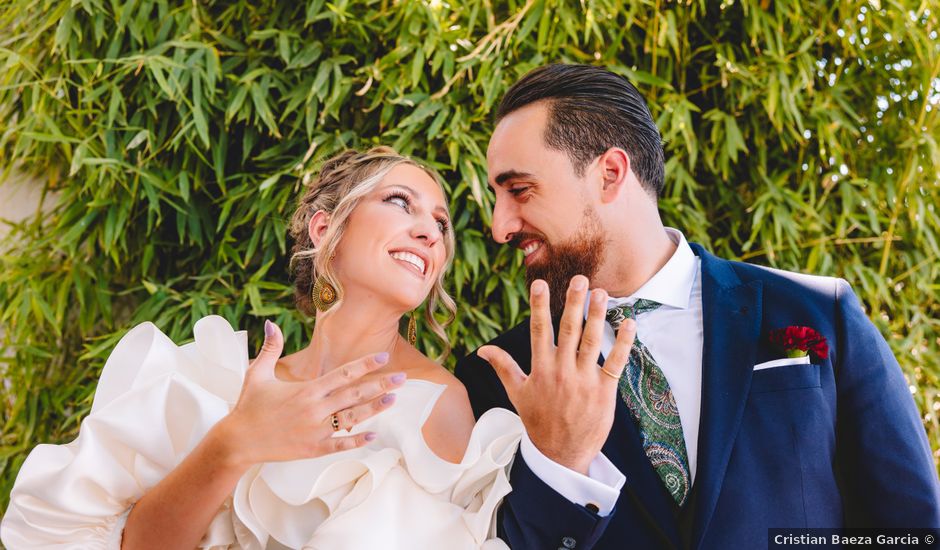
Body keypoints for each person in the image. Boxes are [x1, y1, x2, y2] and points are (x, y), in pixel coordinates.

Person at [3, 147, 599, 549]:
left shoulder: (438, 404)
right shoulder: (212, 378)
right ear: (324, 228)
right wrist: (232, 444)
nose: (429, 231)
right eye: (400, 203)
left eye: (440, 224)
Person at [455, 63, 940, 549]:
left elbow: (912, 529)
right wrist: (557, 460)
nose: (500, 227)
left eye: (519, 191)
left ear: (609, 173)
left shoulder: (816, 310)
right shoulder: (499, 376)